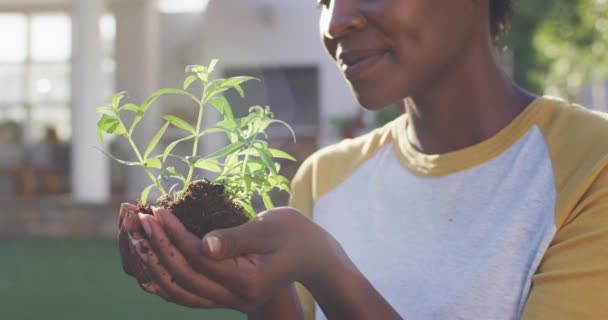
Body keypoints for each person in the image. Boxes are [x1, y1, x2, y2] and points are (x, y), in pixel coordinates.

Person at [118, 0, 608, 319]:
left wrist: (326, 269)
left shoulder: (590, 165)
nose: (336, 21)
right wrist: (260, 288)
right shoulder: (327, 177)